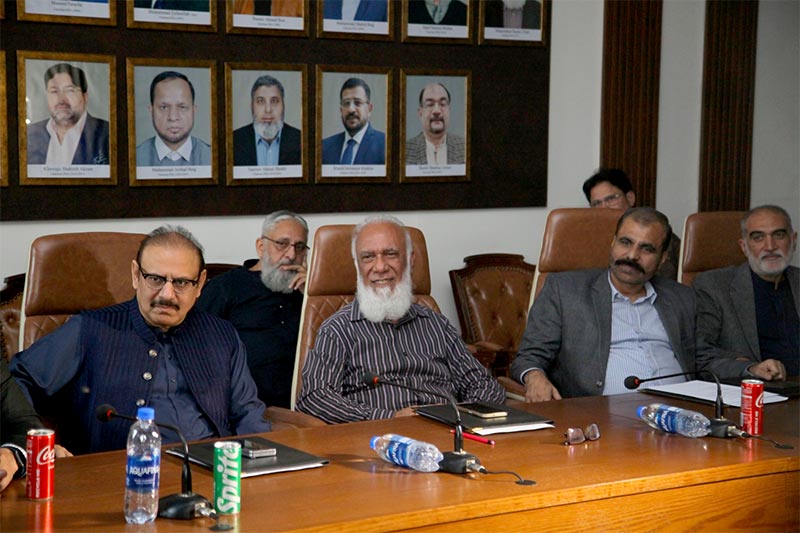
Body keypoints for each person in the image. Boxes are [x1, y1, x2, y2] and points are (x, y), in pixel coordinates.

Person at [10, 225, 270, 454]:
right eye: (155, 279)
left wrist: (263, 465)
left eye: (181, 282)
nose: (167, 294)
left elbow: (247, 412)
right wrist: (34, 442)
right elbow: (17, 379)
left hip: (209, 472)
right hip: (115, 476)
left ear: (200, 284)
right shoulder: (90, 329)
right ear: (136, 275)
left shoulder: (222, 335)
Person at [296, 215, 505, 424]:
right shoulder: (338, 330)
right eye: (368, 257)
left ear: (410, 260)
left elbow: (483, 384)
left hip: (449, 432)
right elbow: (314, 397)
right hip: (379, 440)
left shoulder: (436, 324)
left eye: (390, 254)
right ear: (357, 265)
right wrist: (388, 417)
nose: (380, 267)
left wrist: (465, 418)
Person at [510, 207, 697, 402]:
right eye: (626, 242)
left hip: (683, 411)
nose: (632, 255)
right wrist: (535, 377)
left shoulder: (681, 297)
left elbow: (702, 360)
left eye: (647, 249)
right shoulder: (565, 291)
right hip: (604, 415)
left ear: (663, 258)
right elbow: (529, 357)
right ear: (612, 242)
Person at [197, 211, 309, 408]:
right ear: (260, 246)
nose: (291, 255)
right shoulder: (227, 287)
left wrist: (311, 294)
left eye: (299, 247)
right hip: (241, 405)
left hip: (300, 404)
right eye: (281, 244)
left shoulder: (307, 292)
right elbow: (194, 345)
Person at [695, 205, 799, 380]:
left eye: (779, 235)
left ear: (794, 240)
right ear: (744, 246)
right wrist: (751, 369)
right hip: (756, 395)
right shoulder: (713, 286)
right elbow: (702, 357)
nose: (770, 246)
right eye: (758, 237)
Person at [582, 168, 681, 280]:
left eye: (610, 199)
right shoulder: (585, 240)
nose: (604, 208)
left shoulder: (657, 235)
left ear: (630, 198)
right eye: (596, 203)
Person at [27, 63, 109, 166]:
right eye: (54, 91)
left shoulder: (108, 134)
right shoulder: (28, 135)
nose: (61, 100)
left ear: (85, 97)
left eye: (70, 91)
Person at [136, 71, 211, 167]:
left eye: (182, 107)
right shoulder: (134, 159)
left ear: (194, 110)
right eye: (164, 107)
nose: (173, 117)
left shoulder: (213, 158)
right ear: (151, 110)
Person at [233, 75, 302, 167]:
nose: (268, 109)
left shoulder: (302, 141)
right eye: (261, 101)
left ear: (283, 105)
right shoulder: (233, 141)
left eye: (274, 101)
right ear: (252, 106)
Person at [321, 78, 386, 165]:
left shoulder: (386, 145)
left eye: (357, 103)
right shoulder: (325, 147)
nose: (351, 109)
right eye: (346, 103)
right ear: (341, 110)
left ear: (369, 109)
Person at [405, 82, 465, 166]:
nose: (437, 111)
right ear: (420, 113)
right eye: (430, 105)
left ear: (449, 110)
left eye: (442, 104)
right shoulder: (405, 151)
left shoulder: (464, 148)